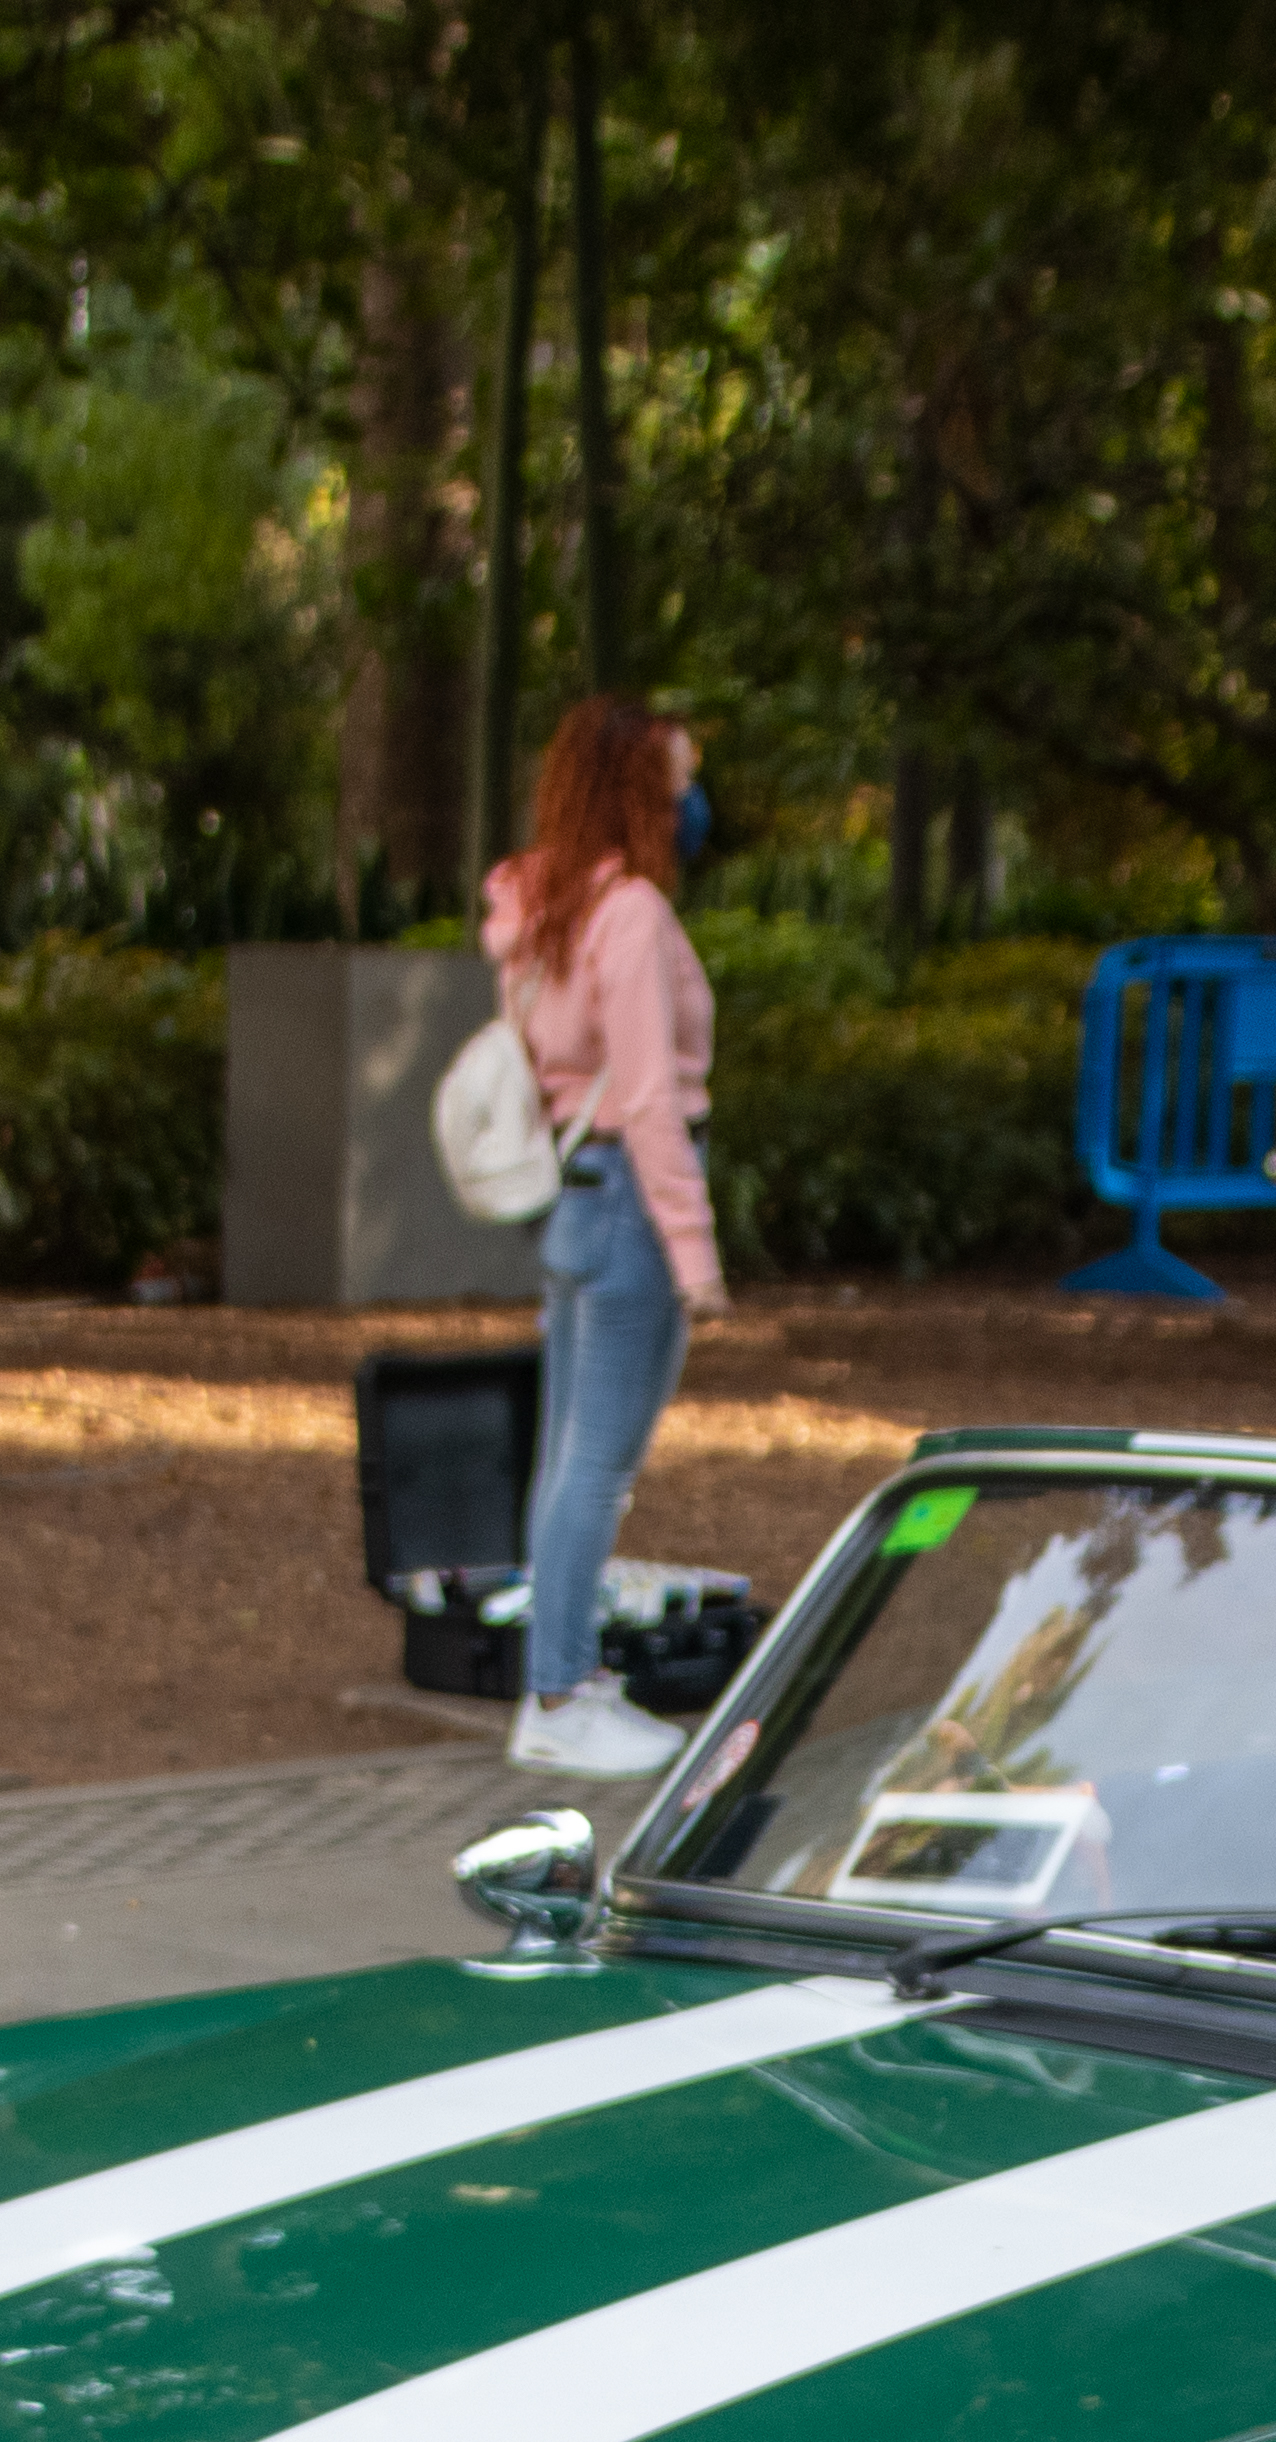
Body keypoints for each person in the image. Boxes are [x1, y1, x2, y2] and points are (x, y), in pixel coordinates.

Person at [486, 691, 727, 1776]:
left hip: (574, 1198)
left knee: (567, 1456)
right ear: (640, 791)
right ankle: (562, 1687)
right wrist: (697, 1257)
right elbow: (650, 1100)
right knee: (598, 1462)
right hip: (626, 1200)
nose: (690, 806)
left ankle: (558, 1674)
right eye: (675, 785)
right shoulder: (627, 915)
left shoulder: (536, 909)